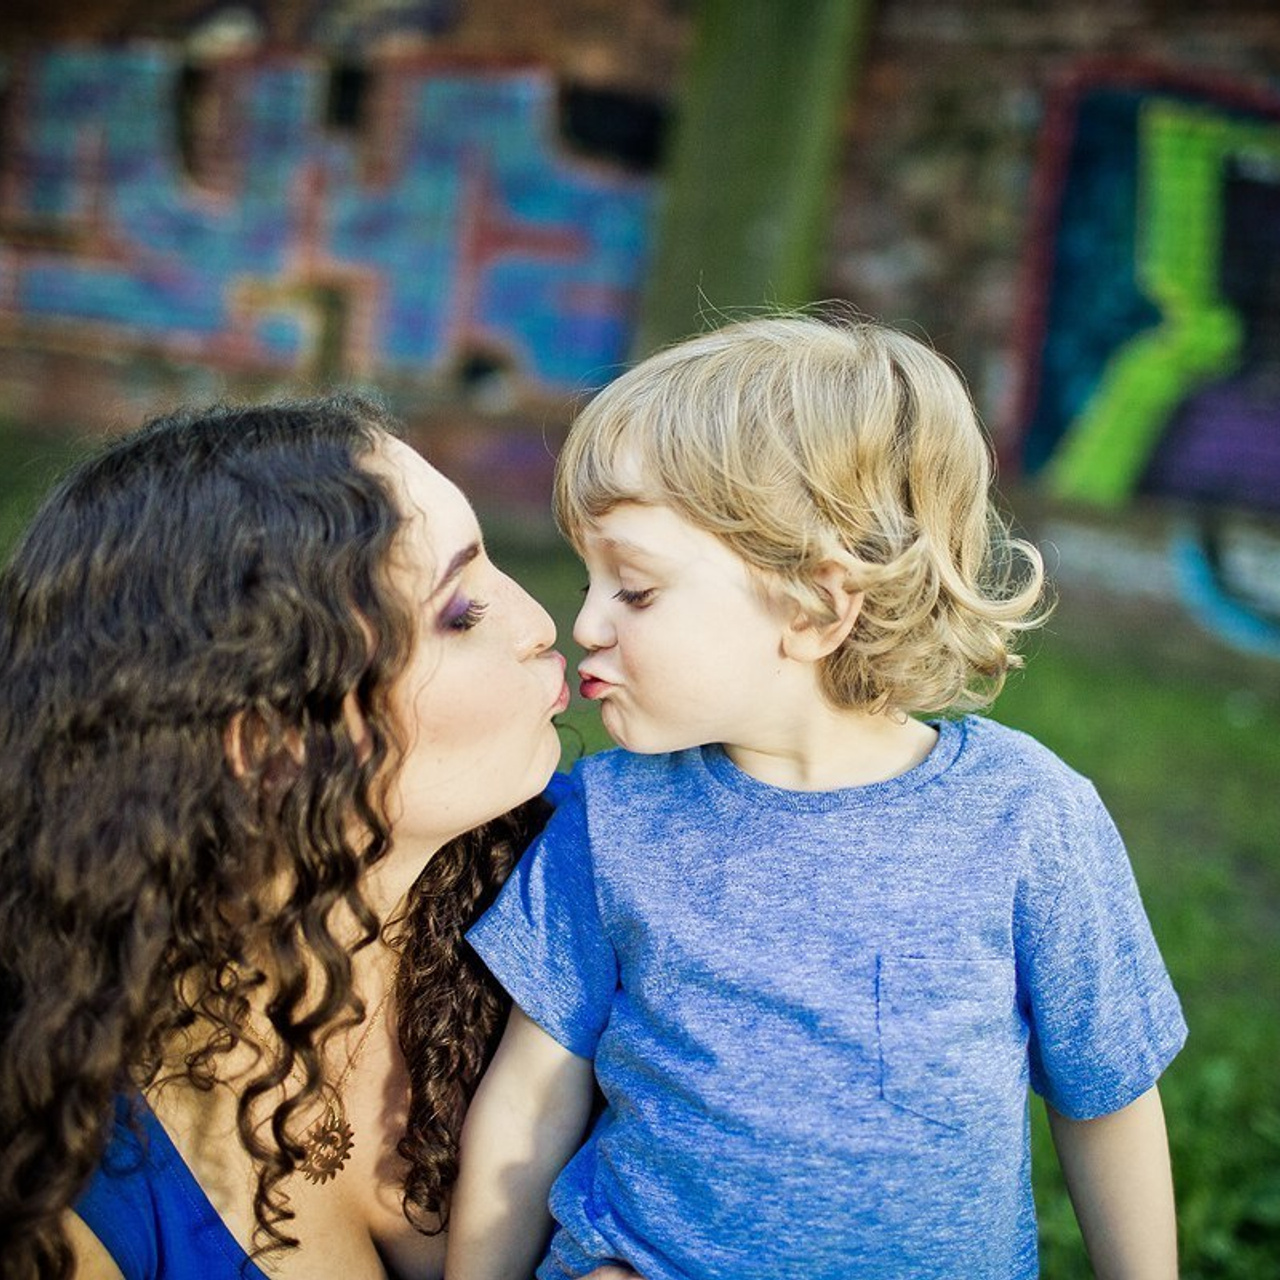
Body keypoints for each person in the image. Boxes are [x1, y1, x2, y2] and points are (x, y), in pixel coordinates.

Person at [446, 316, 1188, 1280]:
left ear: (814, 606)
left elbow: (1109, 1098)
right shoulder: (613, 815)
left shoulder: (1026, 819)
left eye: (633, 588)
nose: (582, 620)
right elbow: (531, 1100)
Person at [0, 396, 635, 1280]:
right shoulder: (61, 1183)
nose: (539, 624)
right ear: (267, 746)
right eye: (460, 614)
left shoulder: (633, 876)